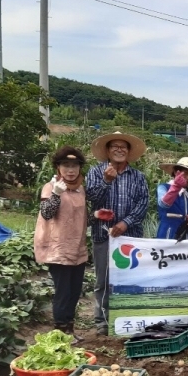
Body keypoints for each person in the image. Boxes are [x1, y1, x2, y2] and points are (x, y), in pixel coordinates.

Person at [86, 131, 149, 334]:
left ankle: (128, 318)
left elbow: (143, 203)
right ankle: (102, 322)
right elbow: (91, 200)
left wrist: (126, 222)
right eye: (115, 146)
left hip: (130, 237)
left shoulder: (138, 177)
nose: (119, 150)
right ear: (107, 151)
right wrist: (105, 181)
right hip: (103, 235)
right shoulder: (96, 172)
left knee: (130, 278)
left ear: (129, 152)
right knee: (103, 279)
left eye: (124, 147)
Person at [34, 146, 89, 340]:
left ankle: (70, 330)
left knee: (74, 292)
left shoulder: (81, 189)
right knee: (63, 292)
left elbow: (78, 216)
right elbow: (47, 213)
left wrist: (96, 216)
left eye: (75, 165)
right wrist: (56, 194)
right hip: (57, 249)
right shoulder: (50, 187)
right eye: (66, 165)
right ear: (58, 167)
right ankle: (59, 332)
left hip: (77, 249)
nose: (71, 170)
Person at [157, 157, 188, 240]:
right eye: (186, 173)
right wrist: (176, 186)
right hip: (168, 236)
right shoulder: (163, 187)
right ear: (176, 172)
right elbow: (163, 204)